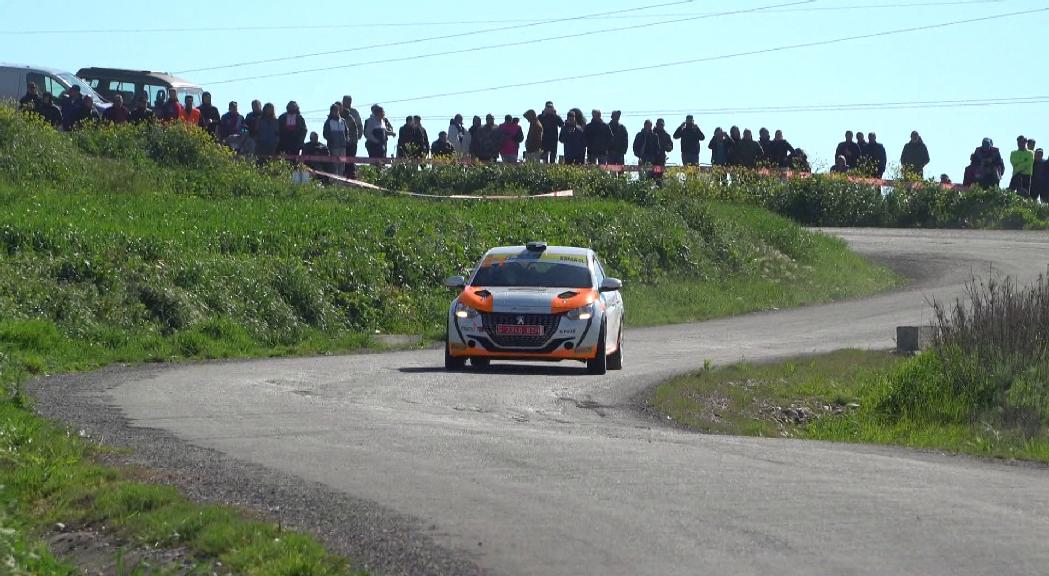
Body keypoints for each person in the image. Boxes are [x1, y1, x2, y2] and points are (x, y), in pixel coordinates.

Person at [322, 104, 350, 176]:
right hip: (333, 147)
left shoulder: (342, 121)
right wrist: (331, 140)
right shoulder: (328, 122)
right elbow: (325, 134)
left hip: (343, 147)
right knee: (334, 165)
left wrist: (346, 140)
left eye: (337, 110)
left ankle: (340, 182)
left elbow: (346, 132)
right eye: (334, 110)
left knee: (342, 165)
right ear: (331, 111)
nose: (335, 112)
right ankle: (335, 182)